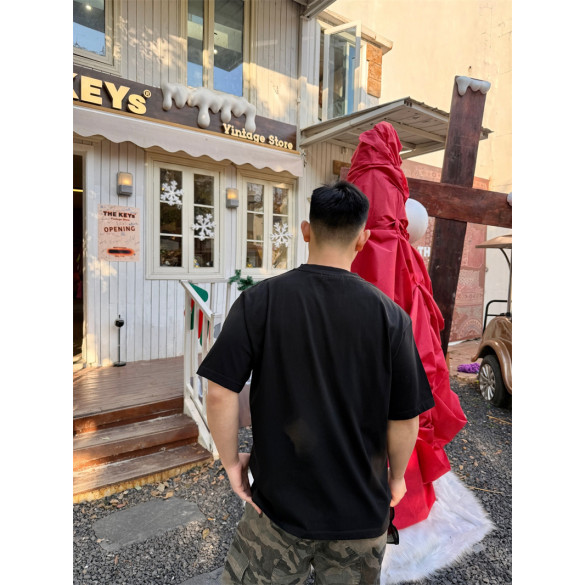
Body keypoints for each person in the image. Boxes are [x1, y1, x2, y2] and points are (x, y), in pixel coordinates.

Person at [197, 180, 435, 585]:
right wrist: (397, 478)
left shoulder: (260, 301)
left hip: (277, 510)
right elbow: (404, 417)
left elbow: (220, 391)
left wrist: (232, 464)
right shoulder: (391, 317)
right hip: (360, 514)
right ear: (362, 240)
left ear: (306, 231)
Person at [347, 121, 468, 529]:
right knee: (407, 375)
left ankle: (357, 493)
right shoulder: (391, 179)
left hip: (362, 259)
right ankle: (405, 494)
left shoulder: (360, 175)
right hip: (396, 270)